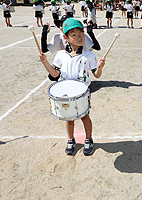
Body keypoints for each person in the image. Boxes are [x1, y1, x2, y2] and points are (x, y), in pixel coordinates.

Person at [39, 18, 106, 156]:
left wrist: (99, 67)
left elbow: (97, 75)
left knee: (85, 116)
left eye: (81, 32)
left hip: (83, 91)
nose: (79, 36)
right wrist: (45, 63)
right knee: (68, 118)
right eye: (74, 34)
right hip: (66, 91)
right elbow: (55, 74)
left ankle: (88, 139)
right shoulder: (61, 55)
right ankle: (71, 140)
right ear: (66, 37)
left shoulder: (89, 55)